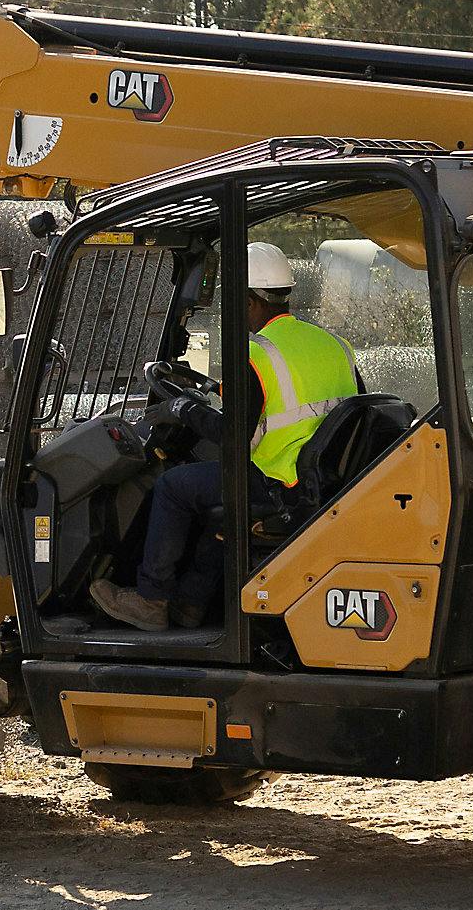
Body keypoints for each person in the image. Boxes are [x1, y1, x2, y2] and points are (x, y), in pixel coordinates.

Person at [89, 241, 360, 630]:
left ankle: (151, 600)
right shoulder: (334, 344)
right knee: (217, 497)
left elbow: (230, 437)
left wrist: (182, 409)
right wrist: (216, 391)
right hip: (328, 481)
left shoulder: (256, 354)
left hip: (280, 483)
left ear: (250, 301)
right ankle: (190, 603)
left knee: (174, 486)